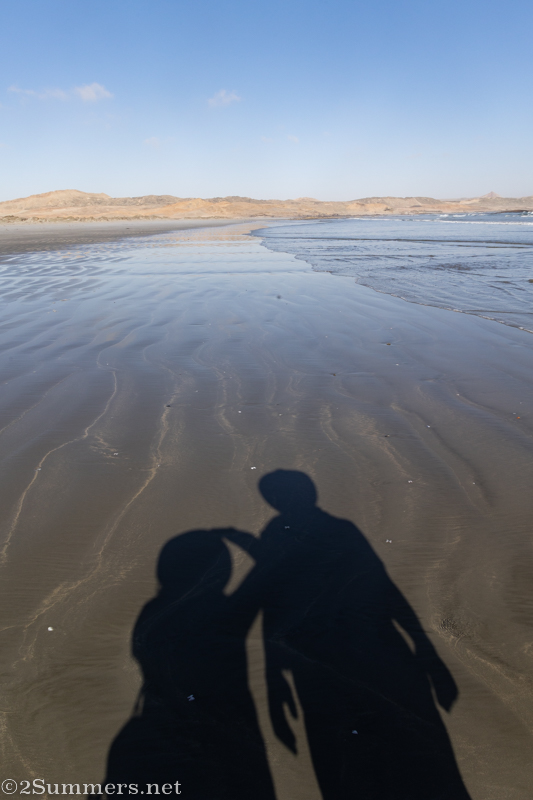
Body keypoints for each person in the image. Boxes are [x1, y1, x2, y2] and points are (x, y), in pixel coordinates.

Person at [229, 470, 472, 800]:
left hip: (313, 654)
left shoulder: (279, 533)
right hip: (371, 644)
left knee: (339, 748)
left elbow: (263, 600)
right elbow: (385, 585)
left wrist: (275, 679)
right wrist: (424, 646)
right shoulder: (338, 529)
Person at [102, 529, 275, 800]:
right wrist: (238, 538)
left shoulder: (152, 613)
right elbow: (266, 568)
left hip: (161, 715)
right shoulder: (223, 613)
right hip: (217, 718)